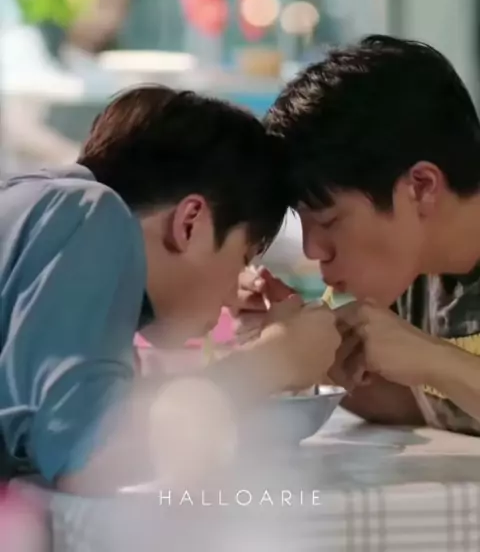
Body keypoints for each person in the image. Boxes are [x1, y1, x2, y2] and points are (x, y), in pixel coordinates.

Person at [0, 85, 342, 495]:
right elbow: (91, 455)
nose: (233, 291)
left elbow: (83, 418)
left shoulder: (36, 203)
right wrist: (273, 360)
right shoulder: (88, 213)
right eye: (243, 257)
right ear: (190, 222)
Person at [235, 35, 480, 435]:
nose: (313, 250)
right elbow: (426, 408)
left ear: (421, 187)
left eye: (330, 222)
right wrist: (304, 353)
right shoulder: (408, 270)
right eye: (304, 224)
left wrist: (431, 358)